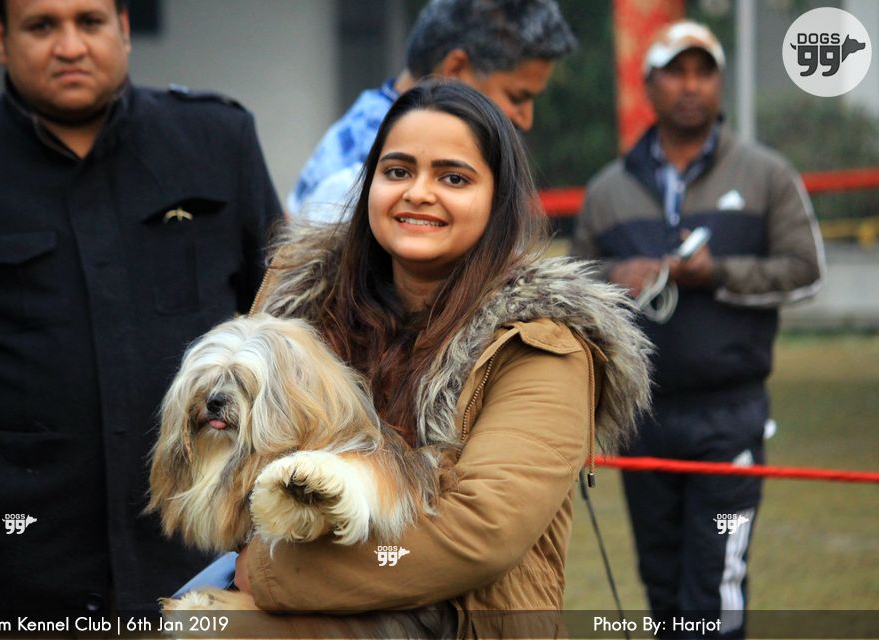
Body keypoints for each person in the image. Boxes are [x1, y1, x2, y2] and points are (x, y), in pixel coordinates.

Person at [228, 79, 652, 638]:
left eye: (453, 178)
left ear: (498, 200)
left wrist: (276, 574)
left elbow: (477, 533)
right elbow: (231, 474)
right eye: (397, 171)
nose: (418, 193)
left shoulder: (542, 345)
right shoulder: (295, 312)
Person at [0, 0, 282, 617]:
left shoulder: (217, 140)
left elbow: (277, 321)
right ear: (2, 38)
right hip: (13, 568)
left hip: (202, 566)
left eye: (89, 22)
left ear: (124, 28)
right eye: (41, 26)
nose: (69, 46)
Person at [572, 21, 824, 639]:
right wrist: (615, 276)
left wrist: (718, 273)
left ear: (719, 84)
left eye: (703, 72)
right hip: (641, 421)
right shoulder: (607, 191)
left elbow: (806, 271)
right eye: (676, 72)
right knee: (662, 586)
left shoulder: (767, 174)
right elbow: (575, 292)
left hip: (728, 420)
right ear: (648, 86)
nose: (691, 86)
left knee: (712, 588)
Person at [287, 0, 577, 221]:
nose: (526, 119)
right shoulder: (359, 171)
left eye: (454, 179)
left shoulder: (375, 133)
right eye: (516, 97)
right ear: (454, 70)